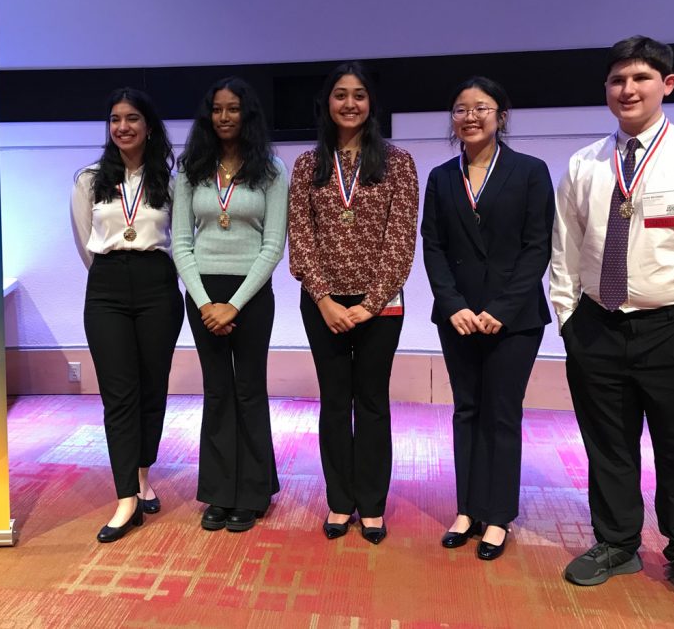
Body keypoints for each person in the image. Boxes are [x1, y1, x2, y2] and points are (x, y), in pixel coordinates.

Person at [550, 36, 674, 617]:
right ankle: (617, 543)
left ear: (667, 85)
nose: (627, 90)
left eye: (639, 78)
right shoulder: (585, 163)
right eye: (616, 81)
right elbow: (566, 250)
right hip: (598, 329)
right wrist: (569, 320)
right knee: (608, 446)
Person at [421, 77, 554, 561]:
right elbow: (432, 246)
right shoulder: (440, 177)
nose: (470, 116)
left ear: (501, 116)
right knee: (466, 410)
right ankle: (467, 509)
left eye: (481, 108)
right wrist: (453, 304)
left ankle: (497, 516)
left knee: (501, 414)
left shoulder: (530, 171)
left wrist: (500, 309)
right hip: (456, 318)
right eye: (460, 109)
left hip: (513, 320)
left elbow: (537, 245)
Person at [288, 61, 418, 544]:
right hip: (321, 304)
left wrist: (369, 302)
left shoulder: (398, 163)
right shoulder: (307, 165)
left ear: (371, 104)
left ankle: (373, 503)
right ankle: (340, 501)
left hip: (379, 306)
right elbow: (300, 237)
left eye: (359, 95)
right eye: (340, 94)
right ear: (327, 103)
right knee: (334, 402)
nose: (349, 103)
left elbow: (401, 240)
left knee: (372, 402)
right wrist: (323, 298)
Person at [172, 77, 288, 533]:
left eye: (233, 109)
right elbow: (181, 243)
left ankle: (253, 492)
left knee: (249, 390)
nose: (224, 117)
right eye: (217, 109)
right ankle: (220, 493)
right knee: (218, 392)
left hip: (251, 295)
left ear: (247, 114)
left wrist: (234, 305)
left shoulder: (272, 170)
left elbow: (273, 245)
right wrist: (204, 303)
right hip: (202, 293)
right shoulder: (191, 171)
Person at [71, 87, 184, 543]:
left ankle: (142, 474)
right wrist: (112, 274)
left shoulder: (169, 180)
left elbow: (183, 237)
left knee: (152, 386)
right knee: (119, 393)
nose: (123, 127)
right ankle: (125, 500)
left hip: (158, 284)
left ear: (149, 126)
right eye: (115, 119)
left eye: (133, 118)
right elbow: (84, 240)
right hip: (107, 287)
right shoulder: (89, 179)